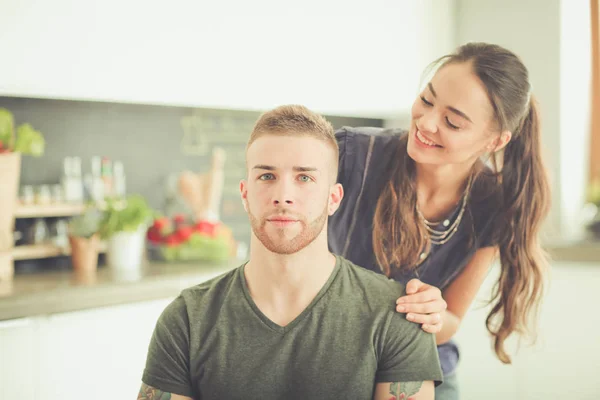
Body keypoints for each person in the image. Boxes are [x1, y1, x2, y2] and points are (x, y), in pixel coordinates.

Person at [138, 105, 443, 400]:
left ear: (333, 198)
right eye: (267, 176)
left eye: (304, 178)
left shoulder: (398, 316)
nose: (283, 196)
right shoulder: (187, 319)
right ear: (245, 195)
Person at [328, 42, 551, 400]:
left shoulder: (494, 205)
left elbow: (450, 324)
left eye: (452, 122)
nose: (426, 122)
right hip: (330, 360)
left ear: (495, 141)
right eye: (427, 100)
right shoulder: (351, 155)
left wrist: (433, 315)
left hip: (423, 367)